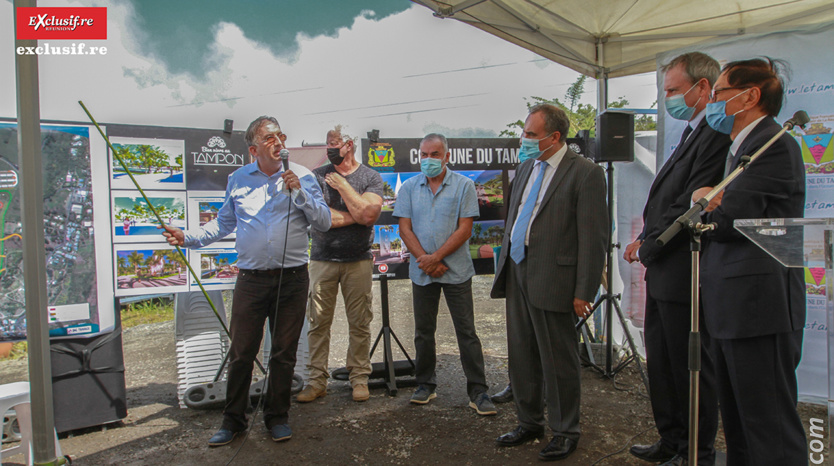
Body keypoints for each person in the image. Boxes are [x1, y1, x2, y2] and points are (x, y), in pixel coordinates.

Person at [161, 116, 331, 446]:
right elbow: (222, 224)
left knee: (283, 354)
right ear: (254, 148)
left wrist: (300, 193)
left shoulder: (304, 176)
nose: (278, 141)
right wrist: (188, 237)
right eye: (269, 138)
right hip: (251, 281)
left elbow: (323, 222)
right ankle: (233, 420)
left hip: (292, 279)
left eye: (280, 135)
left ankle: (277, 417)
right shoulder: (238, 178)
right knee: (241, 352)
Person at [692, 58, 807, 466]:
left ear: (750, 96)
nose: (712, 102)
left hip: (760, 309)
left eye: (720, 93)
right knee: (739, 424)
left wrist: (704, 198)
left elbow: (726, 221)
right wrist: (711, 199)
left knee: (769, 427)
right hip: (733, 307)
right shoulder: (741, 148)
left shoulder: (773, 145)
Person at [624, 52, 730, 466]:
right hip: (665, 271)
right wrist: (645, 238)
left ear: (702, 88)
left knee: (691, 371)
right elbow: (668, 200)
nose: (666, 97)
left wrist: (651, 244)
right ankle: (670, 441)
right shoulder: (690, 132)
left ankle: (694, 452)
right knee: (663, 366)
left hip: (686, 271)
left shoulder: (716, 137)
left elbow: (692, 205)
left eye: (671, 90)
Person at [491, 103, 607, 462]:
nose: (523, 140)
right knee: (522, 353)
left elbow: (593, 238)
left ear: (554, 137)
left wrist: (583, 291)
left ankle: (565, 430)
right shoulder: (526, 168)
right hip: (519, 271)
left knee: (558, 360)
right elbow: (515, 219)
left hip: (556, 279)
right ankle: (529, 421)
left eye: (530, 134)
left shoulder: (585, 173)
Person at [393, 133, 497, 416]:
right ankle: (425, 384)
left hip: (456, 270)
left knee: (467, 332)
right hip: (422, 272)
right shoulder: (410, 188)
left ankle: (478, 391)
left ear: (446, 156)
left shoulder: (463, 185)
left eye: (434, 154)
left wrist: (436, 258)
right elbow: (405, 229)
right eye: (424, 155)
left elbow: (465, 229)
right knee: (423, 332)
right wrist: (426, 262)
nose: (428, 160)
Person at [296, 126, 383, 403]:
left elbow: (371, 213)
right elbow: (320, 217)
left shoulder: (370, 176)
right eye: (327, 144)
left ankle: (359, 378)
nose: (329, 149)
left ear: (349, 145)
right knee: (318, 322)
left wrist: (344, 186)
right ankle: (316, 381)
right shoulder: (317, 176)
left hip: (358, 260)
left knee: (360, 323)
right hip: (322, 259)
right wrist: (359, 215)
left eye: (334, 143)